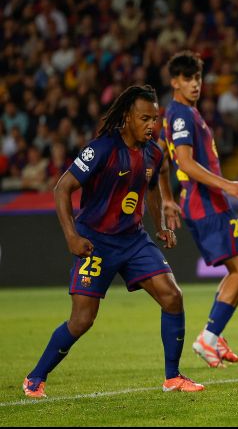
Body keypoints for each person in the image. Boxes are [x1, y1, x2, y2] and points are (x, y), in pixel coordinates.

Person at [23, 85, 204, 398]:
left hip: (133, 240)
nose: (152, 125)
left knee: (172, 297)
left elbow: (150, 187)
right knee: (82, 320)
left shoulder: (154, 152)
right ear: (127, 118)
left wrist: (160, 223)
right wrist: (72, 236)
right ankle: (35, 377)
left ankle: (172, 377)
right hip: (95, 241)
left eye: (156, 118)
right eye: (145, 118)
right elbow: (61, 189)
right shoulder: (102, 148)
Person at [160, 51, 238, 368]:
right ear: (174, 81)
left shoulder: (182, 113)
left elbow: (161, 158)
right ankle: (209, 337)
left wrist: (167, 198)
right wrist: (226, 185)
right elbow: (184, 162)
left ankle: (214, 335)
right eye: (188, 78)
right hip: (206, 203)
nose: (195, 84)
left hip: (205, 202)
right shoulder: (181, 116)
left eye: (198, 78)